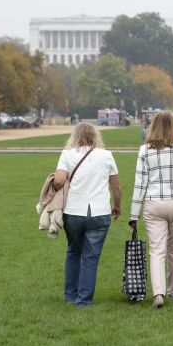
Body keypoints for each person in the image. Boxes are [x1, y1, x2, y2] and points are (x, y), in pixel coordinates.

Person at [128, 111, 173, 309]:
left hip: (153, 203)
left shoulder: (144, 151)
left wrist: (133, 214)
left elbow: (139, 184)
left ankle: (158, 294)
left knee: (156, 250)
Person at [54, 122, 121, 307]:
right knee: (91, 257)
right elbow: (116, 186)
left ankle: (70, 296)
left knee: (73, 252)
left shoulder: (67, 154)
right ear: (95, 136)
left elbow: (59, 180)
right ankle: (83, 301)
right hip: (99, 212)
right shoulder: (106, 155)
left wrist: (55, 187)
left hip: (73, 211)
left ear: (75, 136)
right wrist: (117, 206)